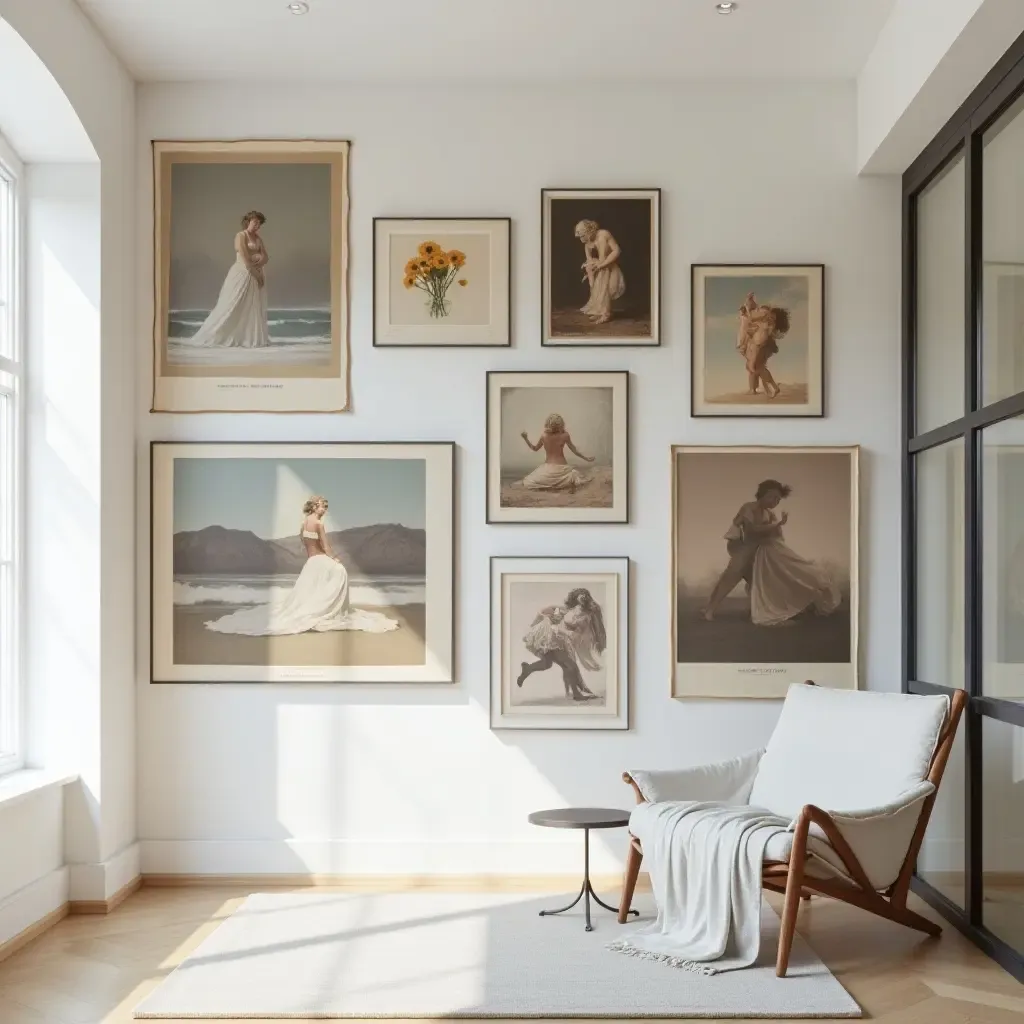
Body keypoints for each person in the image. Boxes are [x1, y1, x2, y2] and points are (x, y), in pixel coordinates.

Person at [204, 496, 399, 636]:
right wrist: (336, 559)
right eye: (323, 506)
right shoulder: (320, 525)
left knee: (310, 592)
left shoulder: (303, 524)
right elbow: (326, 546)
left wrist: (320, 559)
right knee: (341, 572)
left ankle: (322, 608)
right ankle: (330, 611)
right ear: (314, 507)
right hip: (320, 561)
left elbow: (308, 547)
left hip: (311, 563)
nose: (325, 510)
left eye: (325, 507)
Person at [701, 479, 839, 626]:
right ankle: (710, 610)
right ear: (762, 495)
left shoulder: (770, 514)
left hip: (758, 553)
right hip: (743, 549)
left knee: (758, 583)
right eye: (772, 497)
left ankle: (756, 610)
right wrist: (777, 524)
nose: (775, 501)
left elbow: (776, 536)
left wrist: (777, 529)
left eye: (778, 499)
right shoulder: (749, 508)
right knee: (730, 578)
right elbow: (750, 531)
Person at [186, 210, 271, 349]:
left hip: (257, 272)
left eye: (259, 223)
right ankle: (218, 335)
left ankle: (246, 337)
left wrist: (259, 266)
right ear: (248, 221)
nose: (257, 226)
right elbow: (245, 258)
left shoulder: (258, 238)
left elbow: (266, 257)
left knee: (251, 306)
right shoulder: (241, 236)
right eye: (255, 222)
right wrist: (257, 274)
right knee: (232, 304)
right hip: (242, 273)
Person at [516, 588, 605, 701]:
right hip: (552, 636)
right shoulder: (566, 609)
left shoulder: (585, 615)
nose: (583, 597)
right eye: (580, 595)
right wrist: (548, 617)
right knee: (569, 665)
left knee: (547, 664)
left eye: (585, 596)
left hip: (560, 639)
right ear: (575, 597)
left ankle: (527, 669)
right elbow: (545, 612)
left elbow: (580, 629)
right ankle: (576, 694)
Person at [519, 413, 595, 492]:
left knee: (529, 481)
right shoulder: (565, 435)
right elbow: (574, 451)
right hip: (562, 469)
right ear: (561, 424)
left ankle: (551, 486)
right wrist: (586, 458)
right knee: (575, 476)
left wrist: (525, 438)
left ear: (548, 423)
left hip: (547, 469)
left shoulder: (544, 436)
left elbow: (534, 448)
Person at [736, 292, 789, 399]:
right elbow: (752, 316)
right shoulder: (764, 319)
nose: (758, 309)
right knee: (755, 366)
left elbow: (752, 316)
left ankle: (770, 388)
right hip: (758, 343)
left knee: (754, 366)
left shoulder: (765, 315)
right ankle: (767, 388)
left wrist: (747, 305)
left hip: (759, 344)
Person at [575, 219, 624, 324]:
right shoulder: (587, 245)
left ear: (588, 231)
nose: (581, 239)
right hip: (599, 268)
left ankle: (606, 314)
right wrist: (589, 273)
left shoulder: (603, 234)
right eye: (580, 237)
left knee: (605, 287)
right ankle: (601, 312)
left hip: (609, 266)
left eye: (582, 236)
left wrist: (603, 264)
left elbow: (616, 250)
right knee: (596, 288)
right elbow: (589, 261)